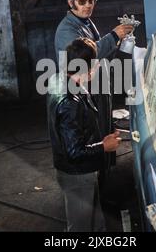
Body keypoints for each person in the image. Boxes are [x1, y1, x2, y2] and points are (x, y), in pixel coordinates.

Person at [54, 0, 133, 179]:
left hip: (94, 86)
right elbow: (86, 57)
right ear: (70, 3)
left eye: (91, 1)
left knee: (101, 129)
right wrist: (114, 36)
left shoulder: (84, 22)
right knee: (89, 137)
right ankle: (94, 182)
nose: (88, 5)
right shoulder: (66, 31)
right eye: (82, 1)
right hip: (84, 90)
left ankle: (102, 177)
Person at [47, 38, 122, 232]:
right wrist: (104, 146)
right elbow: (74, 152)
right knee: (80, 227)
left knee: (96, 223)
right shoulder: (69, 103)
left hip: (83, 171)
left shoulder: (62, 80)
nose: (97, 67)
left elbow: (81, 126)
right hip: (78, 175)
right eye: (95, 64)